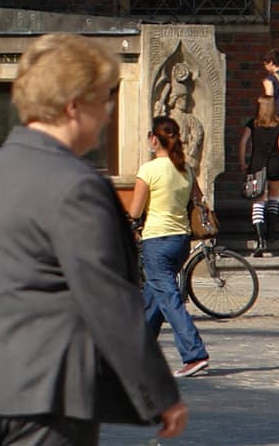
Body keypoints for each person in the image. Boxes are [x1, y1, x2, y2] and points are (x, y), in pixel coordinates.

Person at [0, 28, 184, 446]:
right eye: (104, 98)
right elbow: (108, 298)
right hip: (46, 388)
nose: (109, 112)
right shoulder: (76, 185)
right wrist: (158, 392)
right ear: (73, 107)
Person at [117, 110, 210, 380]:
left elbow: (135, 211)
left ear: (153, 139)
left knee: (168, 298)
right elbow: (197, 201)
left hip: (156, 240)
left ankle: (194, 354)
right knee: (154, 299)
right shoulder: (185, 169)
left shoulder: (148, 170)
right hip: (181, 240)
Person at [233, 73, 279, 244]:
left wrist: (242, 161)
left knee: (258, 201)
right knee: (274, 198)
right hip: (276, 166)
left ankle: (260, 239)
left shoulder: (253, 124)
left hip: (257, 165)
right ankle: (272, 232)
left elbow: (243, 142)